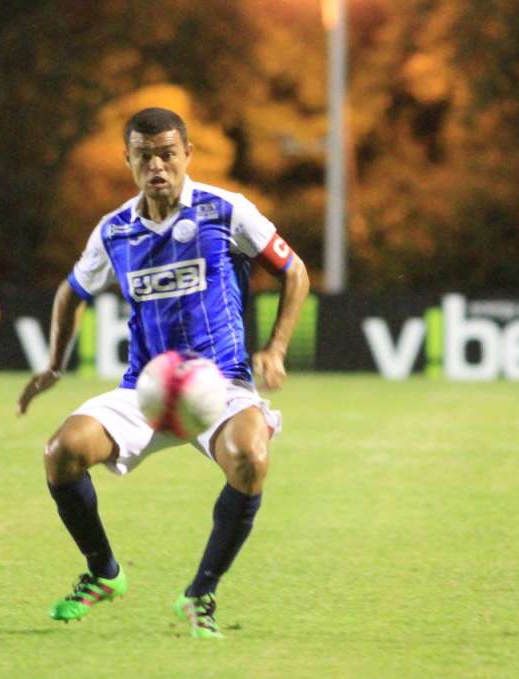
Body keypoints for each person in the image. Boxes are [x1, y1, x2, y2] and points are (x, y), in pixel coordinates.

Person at [17, 107, 309, 638]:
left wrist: (277, 347)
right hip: (146, 390)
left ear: (187, 155)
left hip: (221, 385)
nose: (157, 166)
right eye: (145, 156)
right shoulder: (115, 231)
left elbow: (295, 271)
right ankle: (103, 572)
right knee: (62, 452)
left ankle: (200, 594)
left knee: (250, 460)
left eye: (167, 154)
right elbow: (71, 292)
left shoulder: (227, 210)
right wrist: (54, 364)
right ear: (127, 160)